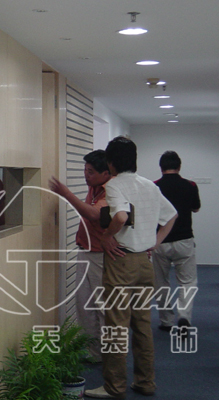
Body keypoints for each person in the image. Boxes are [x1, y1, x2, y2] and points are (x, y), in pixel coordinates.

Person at [85, 137, 177, 399]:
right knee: (142, 325)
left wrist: (106, 237)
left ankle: (114, 387)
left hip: (121, 261)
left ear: (111, 162)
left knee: (116, 326)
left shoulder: (115, 184)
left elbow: (121, 216)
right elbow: (171, 215)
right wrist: (154, 242)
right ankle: (145, 382)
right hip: (144, 263)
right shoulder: (149, 185)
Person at [49, 150, 111, 363]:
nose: (86, 175)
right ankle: (94, 352)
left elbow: (94, 214)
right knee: (83, 303)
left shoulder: (111, 190)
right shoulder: (94, 186)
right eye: (85, 170)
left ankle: (110, 355)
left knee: (103, 307)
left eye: (91, 172)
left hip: (102, 256)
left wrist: (66, 193)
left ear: (105, 173)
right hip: (85, 250)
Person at [152, 151, 201, 331]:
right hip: (184, 240)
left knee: (161, 282)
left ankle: (166, 320)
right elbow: (196, 208)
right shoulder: (190, 185)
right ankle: (184, 316)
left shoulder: (154, 187)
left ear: (161, 167)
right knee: (187, 282)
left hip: (160, 240)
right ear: (179, 167)